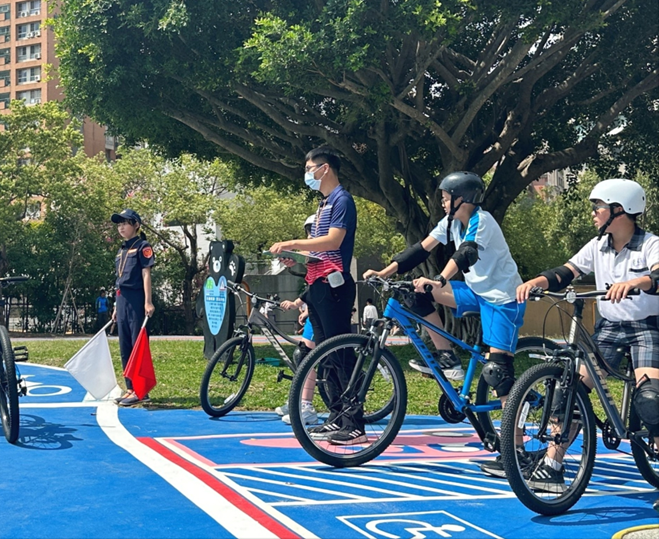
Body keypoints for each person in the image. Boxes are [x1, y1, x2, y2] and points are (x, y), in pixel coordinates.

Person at [363, 171, 526, 476]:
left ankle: (516, 452)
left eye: (445, 197)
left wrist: (438, 279)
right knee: (414, 293)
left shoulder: (483, 221)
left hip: (502, 299)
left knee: (499, 373)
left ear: (462, 198)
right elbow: (420, 249)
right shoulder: (451, 222)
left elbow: (466, 254)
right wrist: (385, 272)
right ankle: (446, 354)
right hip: (476, 293)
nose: (442, 201)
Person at [514, 178, 659, 493]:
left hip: (646, 327)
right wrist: (536, 281)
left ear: (620, 210)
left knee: (651, 401)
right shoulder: (598, 246)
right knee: (571, 390)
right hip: (608, 328)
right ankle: (552, 466)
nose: (594, 213)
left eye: (599, 207)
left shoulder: (650, 244)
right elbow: (566, 272)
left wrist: (637, 283)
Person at [269, 147, 360, 445]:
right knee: (326, 355)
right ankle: (336, 417)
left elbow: (335, 240)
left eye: (311, 168)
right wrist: (299, 258)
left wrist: (294, 242)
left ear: (326, 168)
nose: (308, 174)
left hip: (335, 287)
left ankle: (354, 422)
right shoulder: (324, 204)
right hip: (318, 284)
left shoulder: (342, 200)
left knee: (340, 352)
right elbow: (322, 251)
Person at [277, 215, 320, 426]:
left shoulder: (323, 249)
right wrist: (301, 304)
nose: (311, 234)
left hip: (325, 305)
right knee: (304, 355)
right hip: (316, 305)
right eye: (308, 230)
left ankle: (306, 405)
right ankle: (299, 400)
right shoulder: (312, 256)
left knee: (306, 356)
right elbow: (312, 286)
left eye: (314, 229)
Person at [110, 208, 155, 406]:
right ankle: (130, 388)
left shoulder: (142, 246)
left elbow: (146, 274)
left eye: (125, 223)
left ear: (136, 225)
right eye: (119, 224)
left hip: (136, 298)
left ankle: (141, 389)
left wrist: (148, 301)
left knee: (137, 344)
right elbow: (119, 280)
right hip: (122, 299)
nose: (121, 227)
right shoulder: (121, 250)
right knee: (125, 345)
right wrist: (115, 306)